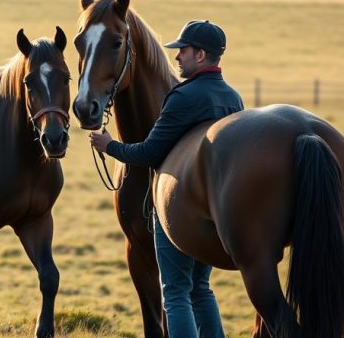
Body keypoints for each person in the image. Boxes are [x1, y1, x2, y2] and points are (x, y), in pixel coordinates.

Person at [89, 19, 243, 338]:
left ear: (200, 55)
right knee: (201, 288)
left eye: (183, 50)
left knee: (174, 292)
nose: (176, 57)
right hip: (213, 211)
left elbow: (149, 152)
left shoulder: (182, 97)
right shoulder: (234, 98)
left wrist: (110, 146)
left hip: (178, 208)